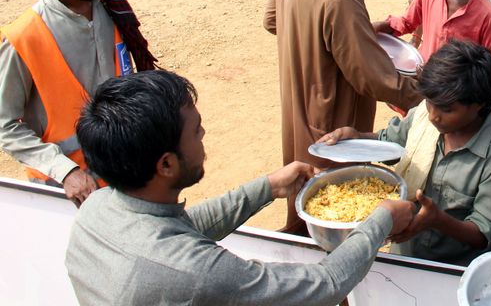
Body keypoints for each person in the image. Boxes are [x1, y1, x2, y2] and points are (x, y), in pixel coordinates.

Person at [65, 70, 417, 306]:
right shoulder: (196, 274)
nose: (204, 137)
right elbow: (324, 284)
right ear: (166, 164)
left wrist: (267, 187)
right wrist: (380, 219)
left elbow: (181, 229)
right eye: (196, 131)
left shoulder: (98, 208)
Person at [264, 0, 422, 233]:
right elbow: (375, 78)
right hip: (331, 120)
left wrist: (353, 33)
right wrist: (428, 92)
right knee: (331, 213)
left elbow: (273, 20)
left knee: (301, 193)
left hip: (297, 104)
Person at [0, 0, 157, 207]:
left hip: (125, 174)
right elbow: (5, 125)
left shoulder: (113, 11)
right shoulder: (23, 37)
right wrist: (65, 171)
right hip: (66, 190)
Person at [318, 41, 491, 265]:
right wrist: (358, 137)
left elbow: (483, 235)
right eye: (430, 102)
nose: (434, 115)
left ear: (478, 104)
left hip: (450, 268)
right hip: (403, 251)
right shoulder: (422, 117)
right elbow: (392, 144)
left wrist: (437, 220)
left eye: (447, 109)